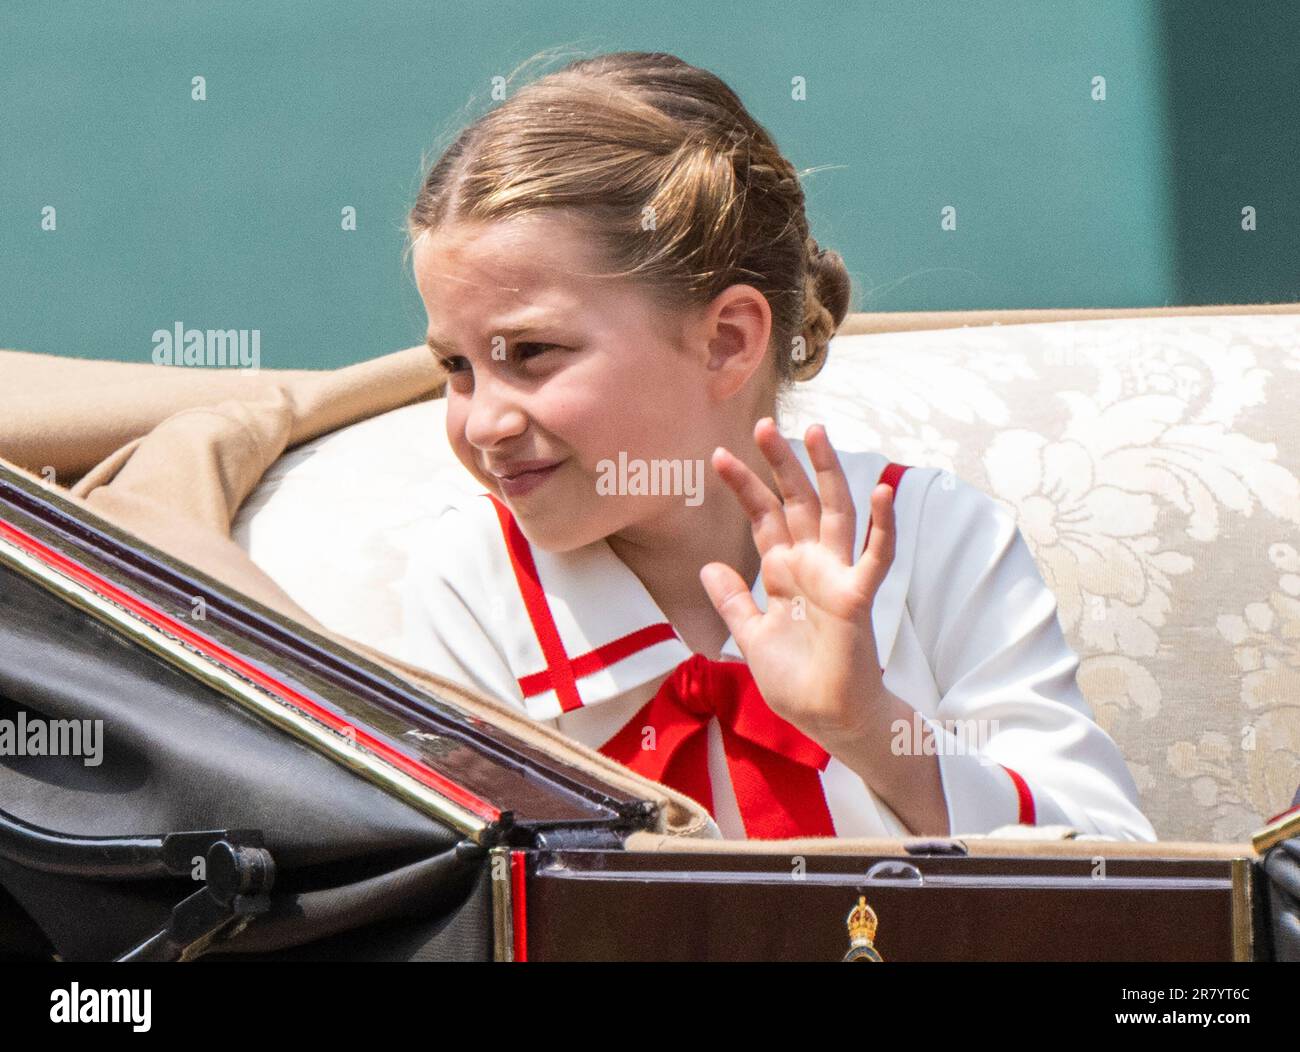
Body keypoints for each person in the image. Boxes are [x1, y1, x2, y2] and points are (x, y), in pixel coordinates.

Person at [392, 50, 1157, 842]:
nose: (484, 424)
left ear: (727, 340)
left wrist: (868, 727)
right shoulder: (471, 586)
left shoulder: (931, 535)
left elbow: (1125, 873)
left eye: (533, 351)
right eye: (456, 366)